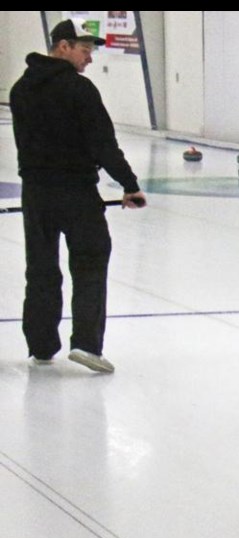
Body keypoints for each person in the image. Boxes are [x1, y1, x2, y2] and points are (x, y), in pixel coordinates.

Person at [10, 18, 147, 374]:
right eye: (84, 49)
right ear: (63, 46)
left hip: (36, 194)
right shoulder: (79, 90)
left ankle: (40, 346)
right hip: (76, 192)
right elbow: (103, 144)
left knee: (40, 267)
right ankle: (86, 344)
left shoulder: (20, 88)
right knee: (90, 260)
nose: (89, 58)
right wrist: (129, 185)